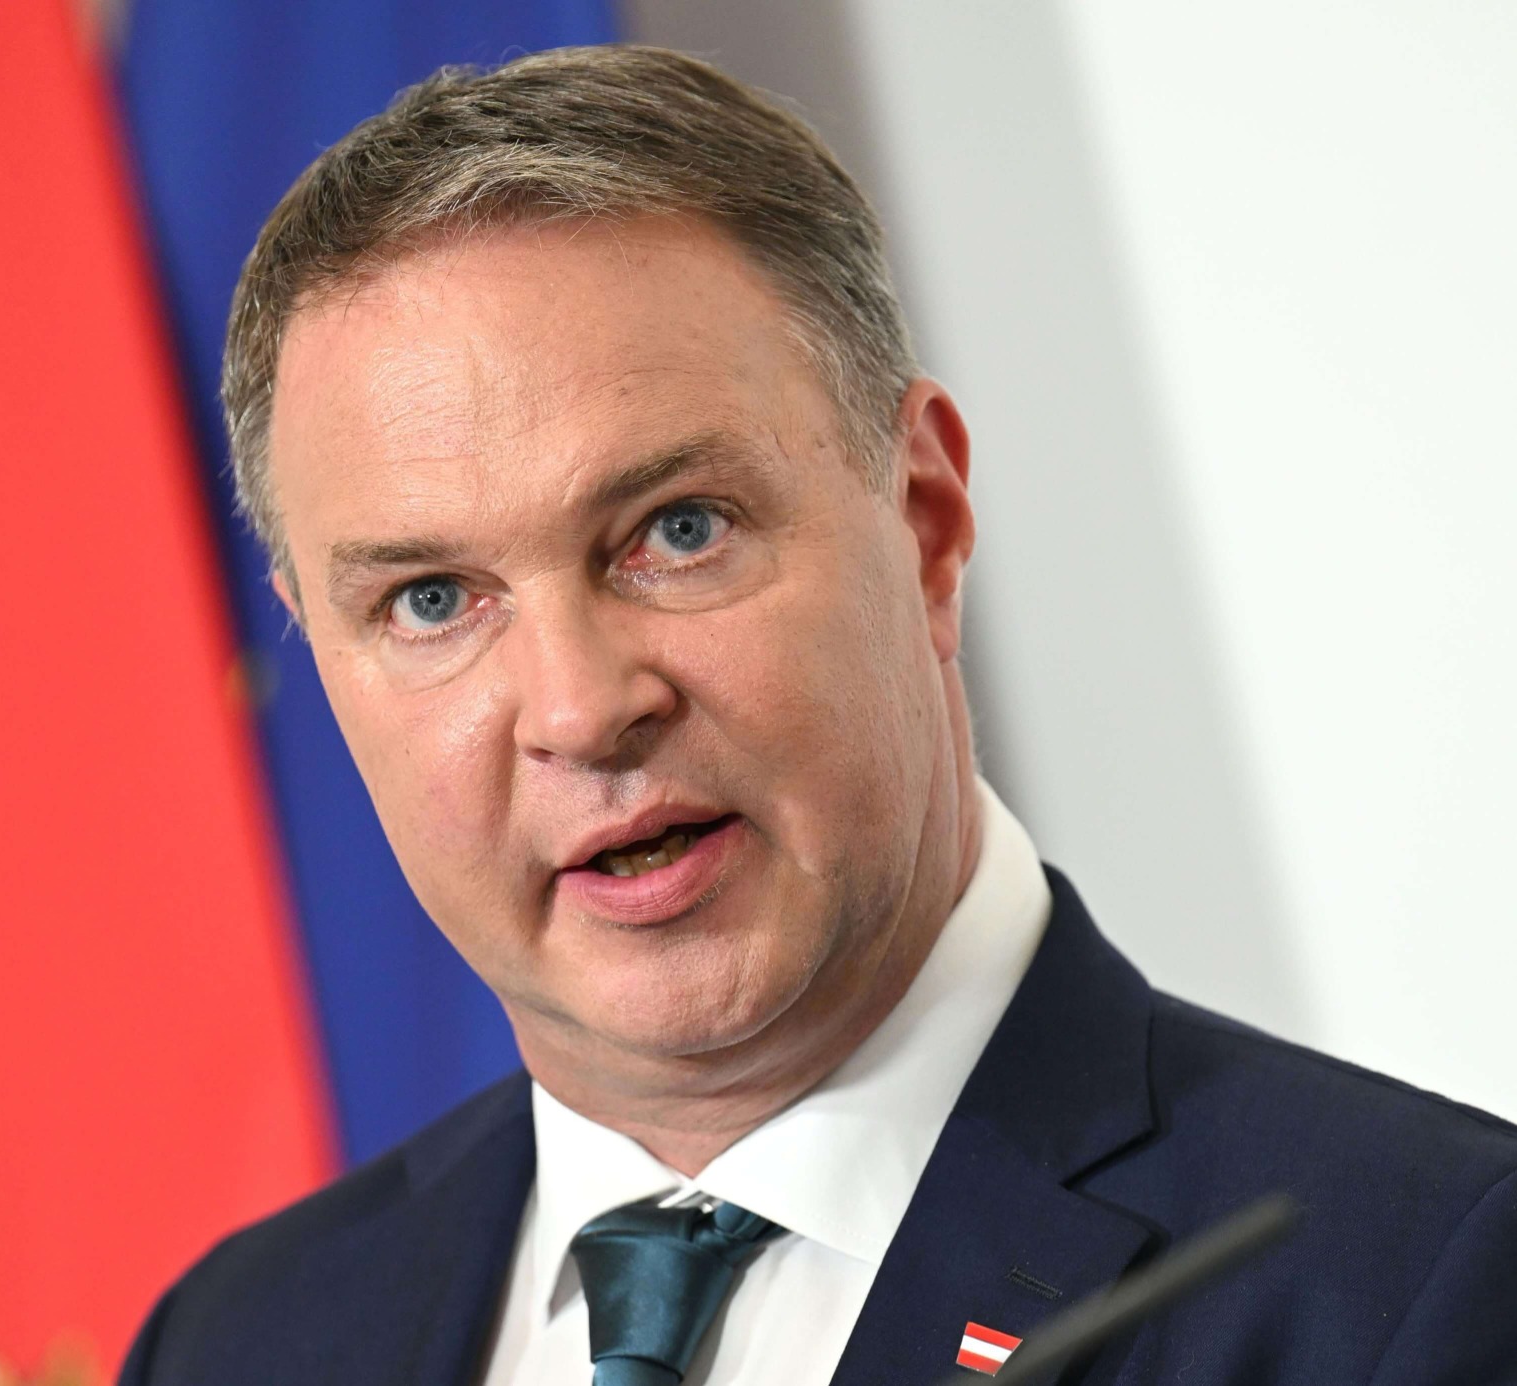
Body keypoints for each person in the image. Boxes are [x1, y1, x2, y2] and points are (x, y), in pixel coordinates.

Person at [119, 45, 1517, 1385]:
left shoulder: (1419, 1289)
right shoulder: (236, 1345)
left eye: (678, 529)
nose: (582, 709)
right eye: (430, 601)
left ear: (925, 519)